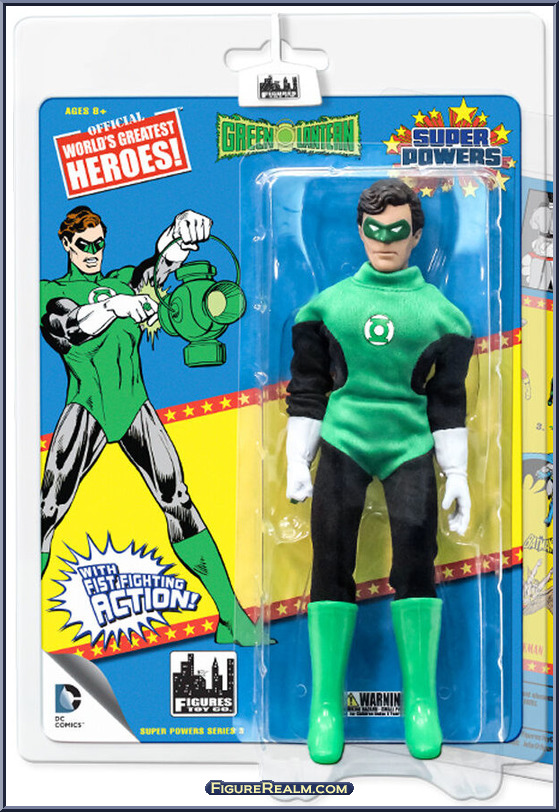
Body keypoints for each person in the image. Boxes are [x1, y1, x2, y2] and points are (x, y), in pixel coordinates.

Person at [285, 179, 474, 761]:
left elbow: (447, 400)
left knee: (417, 558)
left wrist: (457, 471)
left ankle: (421, 703)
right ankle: (325, 706)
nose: (385, 240)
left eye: (397, 230)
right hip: (343, 441)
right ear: (359, 230)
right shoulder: (327, 308)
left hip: (409, 445)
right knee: (330, 559)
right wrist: (297, 456)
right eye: (374, 229)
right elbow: (308, 388)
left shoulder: (442, 316)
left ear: (416, 235)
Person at [41, 205, 260, 646]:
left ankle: (232, 619)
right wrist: (114, 307)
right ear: (67, 243)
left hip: (134, 406)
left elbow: (159, 267)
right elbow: (70, 326)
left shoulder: (123, 280)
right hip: (87, 409)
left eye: (99, 244)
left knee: (177, 500)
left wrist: (181, 235)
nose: (93, 252)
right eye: (84, 244)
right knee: (47, 510)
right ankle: (15, 611)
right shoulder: (52, 291)